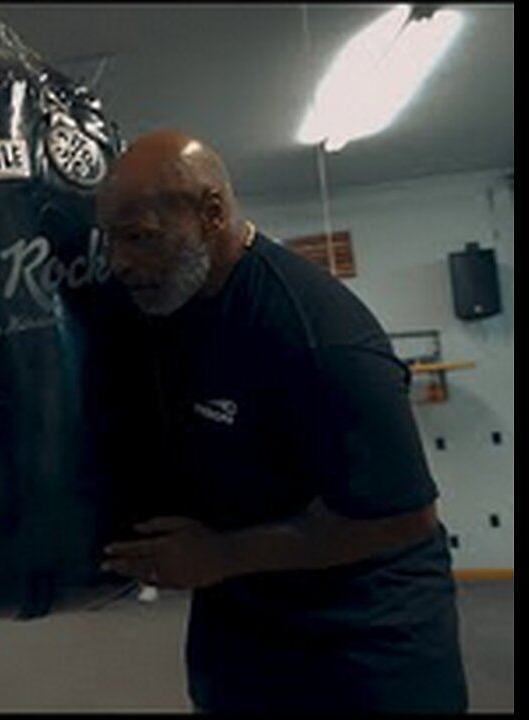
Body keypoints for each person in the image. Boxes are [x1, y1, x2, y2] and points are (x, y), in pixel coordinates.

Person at [94, 130, 468, 713]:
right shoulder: (168, 305)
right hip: (245, 635)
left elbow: (404, 517)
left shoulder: (318, 336)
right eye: (111, 242)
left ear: (211, 213)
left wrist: (219, 556)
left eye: (140, 238)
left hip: (364, 650)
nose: (120, 262)